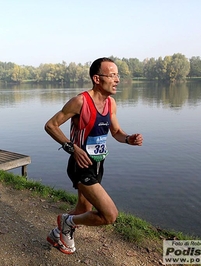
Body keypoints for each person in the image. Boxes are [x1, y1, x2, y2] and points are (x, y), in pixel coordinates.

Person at [44, 57, 143, 254]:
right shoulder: (80, 101)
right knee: (109, 215)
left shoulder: (111, 103)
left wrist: (128, 139)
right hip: (80, 165)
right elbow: (51, 125)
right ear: (97, 79)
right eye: (112, 75)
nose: (117, 80)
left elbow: (116, 132)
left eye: (118, 75)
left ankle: (58, 233)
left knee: (82, 210)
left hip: (98, 164)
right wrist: (72, 147)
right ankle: (66, 222)